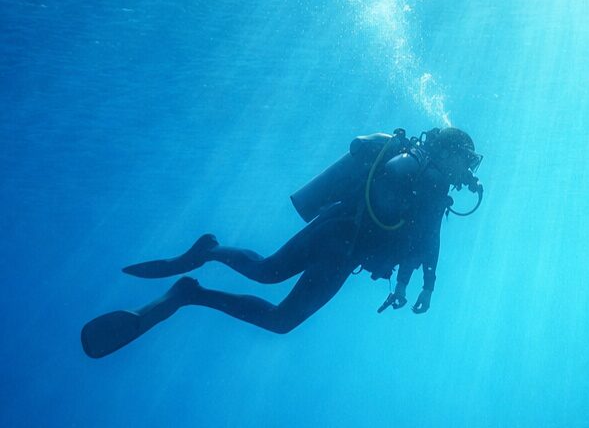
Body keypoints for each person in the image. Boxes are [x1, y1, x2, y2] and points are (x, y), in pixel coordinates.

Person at [81, 127, 483, 359]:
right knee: (266, 272)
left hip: (347, 254)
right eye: (465, 158)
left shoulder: (434, 190)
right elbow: (420, 237)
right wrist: (419, 284)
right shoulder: (416, 171)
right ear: (446, 150)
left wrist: (413, 286)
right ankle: (207, 252)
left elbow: (422, 241)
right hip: (337, 231)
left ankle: (190, 291)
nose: (468, 170)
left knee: (280, 318)